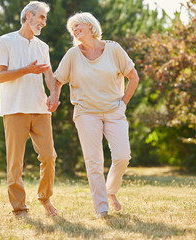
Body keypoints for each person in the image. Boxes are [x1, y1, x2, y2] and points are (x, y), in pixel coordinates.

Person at [47, 12, 139, 218]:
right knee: (94, 161)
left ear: (91, 27)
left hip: (114, 111)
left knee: (123, 156)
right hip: (86, 113)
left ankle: (111, 191)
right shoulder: (72, 54)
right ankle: (101, 208)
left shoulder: (113, 49)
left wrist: (123, 103)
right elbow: (58, 79)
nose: (75, 30)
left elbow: (133, 77)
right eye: (73, 28)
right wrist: (54, 97)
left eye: (78, 26)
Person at [0, 1, 58, 217]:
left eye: (45, 19)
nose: (44, 22)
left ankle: (45, 199)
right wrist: (27, 70)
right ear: (28, 15)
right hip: (14, 109)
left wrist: (54, 95)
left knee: (49, 156)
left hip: (40, 109)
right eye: (41, 17)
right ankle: (19, 208)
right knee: (15, 163)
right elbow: (1, 76)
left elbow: (49, 75)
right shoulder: (5, 41)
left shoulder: (42, 46)